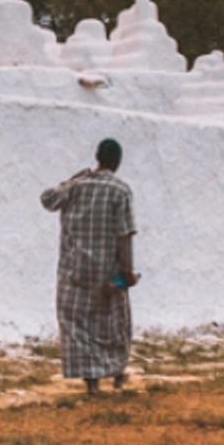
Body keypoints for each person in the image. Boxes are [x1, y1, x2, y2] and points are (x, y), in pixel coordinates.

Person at [43, 137, 138, 394]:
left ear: (97, 157)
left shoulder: (76, 187)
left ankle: (91, 382)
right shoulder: (120, 190)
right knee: (114, 325)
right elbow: (125, 234)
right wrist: (127, 270)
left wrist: (72, 179)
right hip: (107, 272)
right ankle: (117, 372)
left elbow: (47, 199)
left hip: (74, 270)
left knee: (78, 326)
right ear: (117, 161)